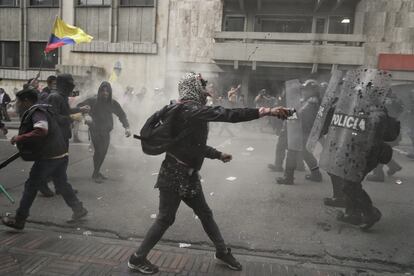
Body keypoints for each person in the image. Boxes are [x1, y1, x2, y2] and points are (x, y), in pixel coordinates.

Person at [127, 72, 290, 274]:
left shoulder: (185, 110)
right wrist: (267, 111)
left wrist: (217, 154)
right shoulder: (190, 110)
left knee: (204, 213)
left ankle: (221, 251)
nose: (207, 90)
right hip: (173, 175)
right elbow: (228, 115)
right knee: (165, 218)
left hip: (187, 174)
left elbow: (193, 145)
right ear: (193, 88)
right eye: (203, 86)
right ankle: (137, 258)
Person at [319, 69, 400, 230]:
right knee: (347, 181)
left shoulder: (376, 112)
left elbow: (372, 138)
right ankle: (352, 214)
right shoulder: (359, 107)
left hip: (365, 153)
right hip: (354, 151)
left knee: (350, 184)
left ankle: (370, 213)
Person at [1, 88, 88, 230]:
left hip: (49, 156)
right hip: (59, 152)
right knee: (61, 184)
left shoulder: (37, 112)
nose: (16, 104)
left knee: (31, 186)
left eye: (18, 101)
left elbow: (41, 130)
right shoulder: (45, 109)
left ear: (26, 101)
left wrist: (20, 138)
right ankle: (79, 209)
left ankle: (19, 219)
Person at [42, 74, 89, 196]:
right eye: (69, 85)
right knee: (54, 162)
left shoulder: (61, 97)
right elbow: (53, 117)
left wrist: (80, 109)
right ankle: (41, 184)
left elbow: (65, 112)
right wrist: (72, 117)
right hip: (56, 135)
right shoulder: (55, 97)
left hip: (62, 135)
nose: (71, 87)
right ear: (62, 85)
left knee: (62, 162)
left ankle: (60, 187)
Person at [77, 81, 131, 183]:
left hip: (106, 131)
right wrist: (86, 116)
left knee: (104, 152)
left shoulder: (112, 103)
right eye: (103, 90)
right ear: (99, 91)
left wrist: (127, 127)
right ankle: (95, 173)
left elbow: (121, 115)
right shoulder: (93, 101)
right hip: (95, 130)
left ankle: (96, 172)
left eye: (107, 91)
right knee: (99, 151)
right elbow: (79, 106)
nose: (105, 93)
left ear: (110, 92)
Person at [277, 80, 322, 185]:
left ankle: (288, 177)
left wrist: (287, 114)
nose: (304, 92)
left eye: (307, 90)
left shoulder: (311, 102)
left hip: (302, 130)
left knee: (292, 152)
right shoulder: (310, 101)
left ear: (313, 91)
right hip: (305, 131)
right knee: (306, 153)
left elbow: (300, 115)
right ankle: (316, 174)